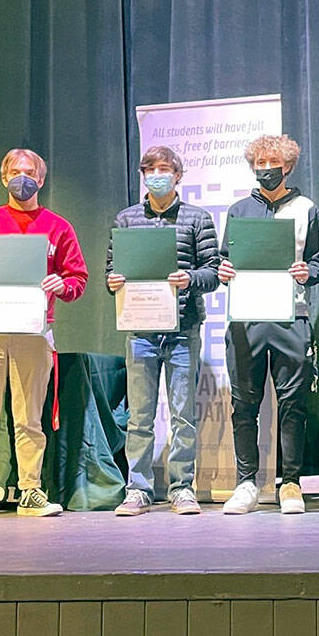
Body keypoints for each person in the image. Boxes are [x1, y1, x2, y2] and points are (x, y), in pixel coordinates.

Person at [0, 148, 88, 519]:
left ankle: (30, 491)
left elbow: (78, 278)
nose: (21, 178)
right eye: (14, 172)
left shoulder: (58, 227)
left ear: (41, 179)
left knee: (29, 418)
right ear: (3, 178)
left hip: (33, 330)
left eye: (29, 172)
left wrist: (63, 284)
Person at [106, 146, 220, 516]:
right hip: (141, 330)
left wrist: (189, 278)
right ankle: (138, 489)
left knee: (183, 415)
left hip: (183, 328)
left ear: (178, 175)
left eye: (164, 169)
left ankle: (181, 488)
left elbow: (214, 272)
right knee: (139, 416)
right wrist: (113, 281)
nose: (157, 175)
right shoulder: (126, 219)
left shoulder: (197, 218)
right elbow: (111, 271)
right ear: (143, 176)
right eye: (150, 169)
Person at [216, 135, 319, 515]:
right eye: (259, 162)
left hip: (291, 316)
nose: (265, 168)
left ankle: (290, 483)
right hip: (246, 319)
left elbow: (317, 264)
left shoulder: (307, 209)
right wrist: (223, 271)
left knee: (293, 403)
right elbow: (224, 260)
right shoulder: (239, 210)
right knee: (244, 404)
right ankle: (246, 483)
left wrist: (307, 272)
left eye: (272, 162)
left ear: (288, 165)